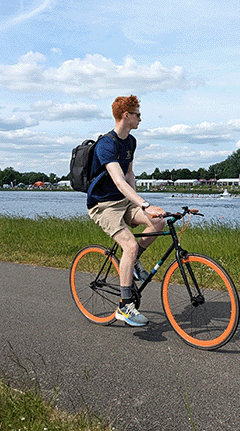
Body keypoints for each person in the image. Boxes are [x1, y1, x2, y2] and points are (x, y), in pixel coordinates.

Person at [87, 95, 166, 327]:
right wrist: (144, 204)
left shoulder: (130, 142)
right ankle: (124, 306)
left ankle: (133, 263)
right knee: (129, 245)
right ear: (126, 115)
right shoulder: (106, 144)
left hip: (124, 202)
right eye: (137, 114)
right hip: (103, 205)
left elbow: (129, 175)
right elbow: (118, 180)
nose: (140, 118)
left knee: (158, 222)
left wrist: (139, 204)